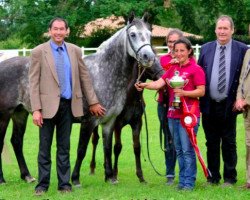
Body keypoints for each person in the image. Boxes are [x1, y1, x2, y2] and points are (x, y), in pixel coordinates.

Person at [29, 17, 106, 195]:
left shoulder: (75, 51)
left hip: (68, 106)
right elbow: (33, 83)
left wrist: (93, 101)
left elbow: (85, 78)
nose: (58, 32)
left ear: (67, 31)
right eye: (55, 29)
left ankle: (64, 185)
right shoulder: (38, 52)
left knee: (64, 147)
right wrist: (36, 109)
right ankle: (42, 185)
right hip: (46, 108)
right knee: (44, 148)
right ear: (49, 31)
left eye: (61, 29)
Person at [135, 38, 205, 190]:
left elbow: (201, 91)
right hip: (172, 114)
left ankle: (189, 182)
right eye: (176, 51)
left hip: (188, 115)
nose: (179, 54)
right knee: (178, 150)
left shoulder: (196, 69)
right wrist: (145, 85)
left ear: (189, 51)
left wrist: (184, 92)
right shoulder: (173, 70)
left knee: (187, 149)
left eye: (182, 51)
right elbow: (159, 83)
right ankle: (182, 181)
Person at [198, 15, 248, 186]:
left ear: (232, 30)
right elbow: (198, 76)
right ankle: (212, 178)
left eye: (225, 28)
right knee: (211, 142)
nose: (222, 31)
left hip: (230, 105)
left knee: (229, 142)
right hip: (208, 104)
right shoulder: (205, 49)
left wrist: (241, 98)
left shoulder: (242, 50)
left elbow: (246, 77)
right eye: (219, 28)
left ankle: (229, 178)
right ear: (215, 30)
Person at [158, 29, 183, 185]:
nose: (172, 44)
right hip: (165, 103)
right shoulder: (162, 60)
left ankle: (185, 172)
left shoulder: (187, 59)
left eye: (175, 41)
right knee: (169, 139)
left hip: (183, 104)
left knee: (182, 139)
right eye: (169, 41)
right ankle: (170, 173)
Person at [235, 49, 250, 189]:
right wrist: (239, 98)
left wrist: (247, 100)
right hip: (247, 108)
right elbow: (242, 78)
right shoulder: (248, 52)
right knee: (249, 144)